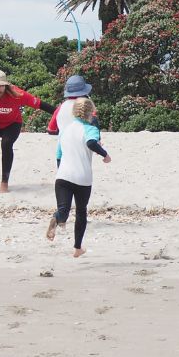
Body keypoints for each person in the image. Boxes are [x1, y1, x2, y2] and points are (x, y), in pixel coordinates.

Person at [46, 98, 110, 257]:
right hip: (82, 178)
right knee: (81, 212)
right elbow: (90, 143)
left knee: (63, 210)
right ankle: (77, 248)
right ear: (91, 113)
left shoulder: (65, 129)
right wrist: (105, 155)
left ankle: (57, 217)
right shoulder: (91, 129)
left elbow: (59, 155)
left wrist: (62, 172)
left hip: (63, 177)